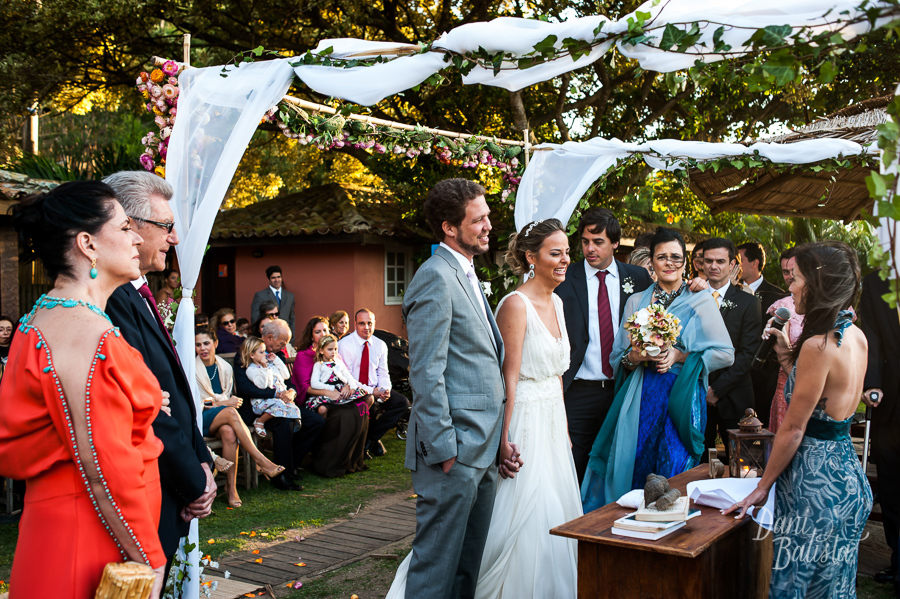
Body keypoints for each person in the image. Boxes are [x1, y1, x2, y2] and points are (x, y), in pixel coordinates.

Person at [0, 181, 167, 597]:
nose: (136, 238)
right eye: (125, 227)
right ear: (88, 243)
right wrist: (148, 558)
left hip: (61, 525)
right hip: (94, 537)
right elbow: (103, 469)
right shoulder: (86, 334)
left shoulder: (40, 317)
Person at [386, 178, 516, 599]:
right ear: (449, 227)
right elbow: (426, 373)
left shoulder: (467, 273)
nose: (487, 226)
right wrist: (445, 452)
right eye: (477, 220)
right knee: (434, 573)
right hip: (453, 453)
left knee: (465, 571)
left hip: (482, 446)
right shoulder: (435, 277)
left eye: (487, 217)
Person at [725, 241, 872, 599]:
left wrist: (761, 488)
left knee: (796, 580)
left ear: (817, 286)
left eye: (796, 279)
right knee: (832, 585)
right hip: (847, 477)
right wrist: (786, 356)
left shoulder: (819, 346)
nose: (790, 287)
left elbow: (793, 429)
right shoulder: (855, 335)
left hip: (815, 483)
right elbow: (828, 400)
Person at [102, 171, 215, 569]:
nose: (175, 238)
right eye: (166, 226)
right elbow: (148, 406)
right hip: (149, 482)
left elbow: (175, 392)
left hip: (171, 479)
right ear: (128, 225)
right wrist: (193, 481)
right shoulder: (112, 300)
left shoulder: (139, 293)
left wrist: (204, 460)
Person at [582, 228, 733, 512]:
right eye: (662, 257)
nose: (670, 262)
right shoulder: (636, 301)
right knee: (640, 465)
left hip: (681, 394)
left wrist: (680, 355)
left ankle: (676, 534)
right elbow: (619, 358)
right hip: (642, 395)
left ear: (686, 263)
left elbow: (725, 354)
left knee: (675, 465)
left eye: (676, 257)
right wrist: (636, 357)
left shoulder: (700, 299)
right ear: (651, 262)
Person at [472, 219, 582, 597]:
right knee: (525, 514)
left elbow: (556, 377)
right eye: (556, 253)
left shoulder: (559, 302)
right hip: (525, 422)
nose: (565, 259)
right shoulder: (515, 305)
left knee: (557, 509)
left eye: (567, 251)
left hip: (553, 423)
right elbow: (508, 379)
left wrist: (565, 432)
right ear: (531, 256)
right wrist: (503, 439)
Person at [554, 207, 654, 484]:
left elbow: (665, 310)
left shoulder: (638, 278)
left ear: (615, 243)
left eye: (598, 242)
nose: (590, 248)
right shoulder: (564, 278)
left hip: (624, 386)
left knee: (620, 463)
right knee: (574, 466)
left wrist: (696, 285)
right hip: (578, 391)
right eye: (585, 241)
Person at [194, 327, 285, 508]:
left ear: (215, 344)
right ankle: (261, 460)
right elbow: (197, 403)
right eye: (198, 345)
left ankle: (231, 488)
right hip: (200, 417)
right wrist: (224, 404)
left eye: (206, 343)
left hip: (221, 418)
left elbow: (226, 398)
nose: (202, 348)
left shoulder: (224, 367)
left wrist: (225, 404)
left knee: (229, 433)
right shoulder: (192, 369)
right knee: (231, 412)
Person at [233, 319, 323, 491]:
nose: (283, 347)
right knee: (285, 422)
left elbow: (290, 382)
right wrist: (274, 394)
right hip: (258, 407)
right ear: (269, 337)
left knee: (315, 422)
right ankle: (280, 476)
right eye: (282, 343)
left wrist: (291, 393)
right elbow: (245, 387)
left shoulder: (278, 356)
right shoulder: (246, 354)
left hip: (281, 403)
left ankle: (290, 464)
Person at [702, 238, 762, 462]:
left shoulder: (748, 302)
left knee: (741, 462)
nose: (713, 266)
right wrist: (704, 388)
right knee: (699, 460)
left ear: (732, 264)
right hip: (698, 391)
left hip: (735, 395)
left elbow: (748, 353)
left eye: (720, 261)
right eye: (708, 261)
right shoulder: (692, 298)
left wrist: (717, 390)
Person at [859, 269, 900, 595]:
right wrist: (871, 383)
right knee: (892, 486)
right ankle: (898, 562)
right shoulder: (876, 280)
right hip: (891, 401)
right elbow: (871, 334)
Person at [339, 309, 411, 458]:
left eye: (369, 323)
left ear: (374, 324)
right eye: (362, 324)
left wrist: (386, 390)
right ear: (355, 325)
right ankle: (366, 444)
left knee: (401, 403)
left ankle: (370, 439)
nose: (366, 327)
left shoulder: (380, 345)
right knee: (369, 404)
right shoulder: (345, 345)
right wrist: (372, 391)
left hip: (376, 389)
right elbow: (348, 378)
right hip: (354, 390)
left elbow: (383, 372)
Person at [737, 242, 788, 429]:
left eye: (739, 260)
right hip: (737, 371)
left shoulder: (777, 296)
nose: (735, 265)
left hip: (765, 374)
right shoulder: (731, 293)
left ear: (754, 263)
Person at [308, 334, 372, 477]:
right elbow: (315, 384)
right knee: (326, 407)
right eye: (330, 349)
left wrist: (350, 387)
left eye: (336, 349)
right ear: (321, 351)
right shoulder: (318, 365)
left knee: (361, 401)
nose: (334, 352)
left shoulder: (338, 362)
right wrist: (332, 390)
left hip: (343, 391)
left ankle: (354, 455)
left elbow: (349, 377)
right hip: (329, 392)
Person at [241, 336, 300, 436]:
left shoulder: (271, 364)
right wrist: (265, 368)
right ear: (252, 355)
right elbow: (263, 385)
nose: (265, 354)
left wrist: (276, 360)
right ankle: (260, 421)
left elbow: (286, 375)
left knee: (292, 406)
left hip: (278, 399)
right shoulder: (252, 370)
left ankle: (295, 422)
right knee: (280, 405)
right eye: (261, 352)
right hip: (263, 402)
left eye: (265, 351)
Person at [251, 265, 295, 334]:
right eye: (273, 278)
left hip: (285, 336)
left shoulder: (290, 296)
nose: (277, 280)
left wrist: (292, 338)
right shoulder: (260, 295)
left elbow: (291, 318)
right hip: (268, 335)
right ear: (268, 279)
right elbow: (255, 318)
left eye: (278, 277)